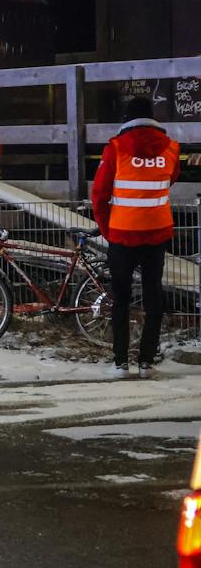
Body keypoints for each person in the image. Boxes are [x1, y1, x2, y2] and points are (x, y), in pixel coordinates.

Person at [91, 95, 180, 378]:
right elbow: (170, 178)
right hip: (156, 235)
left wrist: (107, 228)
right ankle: (146, 362)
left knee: (121, 299)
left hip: (123, 235)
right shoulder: (172, 149)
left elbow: (100, 194)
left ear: (127, 119)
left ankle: (120, 363)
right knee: (154, 297)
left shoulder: (116, 149)